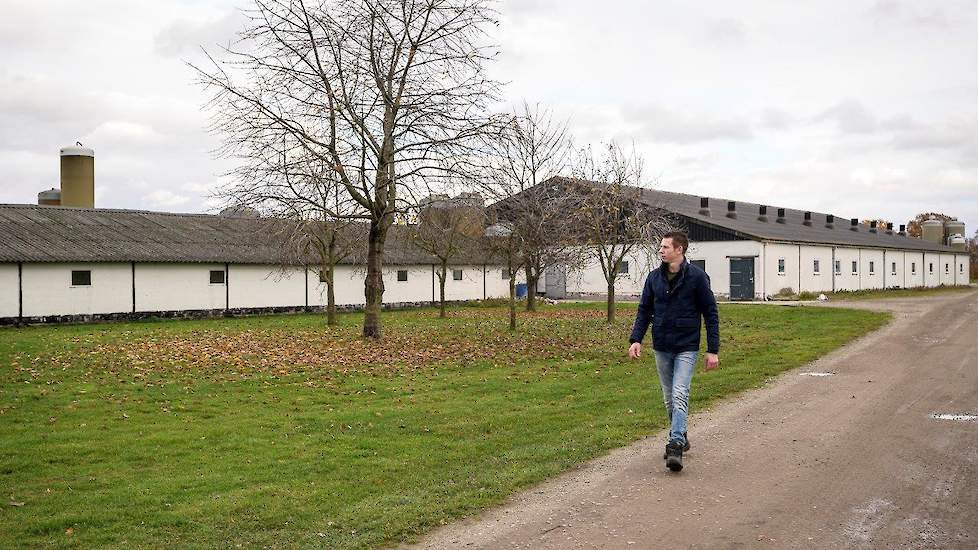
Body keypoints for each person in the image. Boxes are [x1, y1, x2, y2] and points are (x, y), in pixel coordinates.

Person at [628, 231, 720, 472]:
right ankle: (681, 433)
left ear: (680, 249)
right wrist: (636, 339)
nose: (661, 250)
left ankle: (675, 444)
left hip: (687, 345)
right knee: (669, 398)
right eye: (661, 247)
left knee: (680, 392)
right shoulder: (653, 278)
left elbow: (710, 313)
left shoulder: (698, 278)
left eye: (666, 247)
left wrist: (713, 350)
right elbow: (644, 310)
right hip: (662, 345)